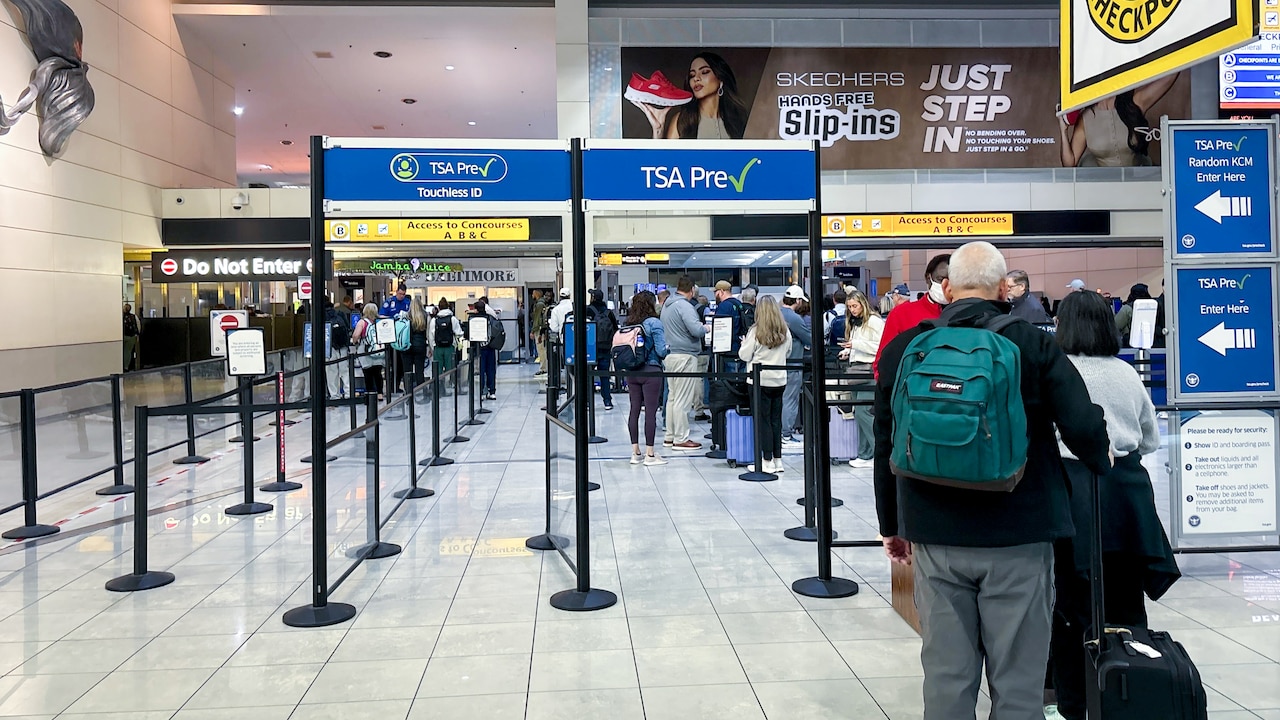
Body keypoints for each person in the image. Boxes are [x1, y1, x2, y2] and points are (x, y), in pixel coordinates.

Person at [874, 241, 1112, 720]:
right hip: (1020, 532)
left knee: (946, 676)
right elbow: (1084, 428)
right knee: (1018, 684)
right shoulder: (1033, 342)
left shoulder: (906, 347)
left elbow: (886, 441)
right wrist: (1101, 461)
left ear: (946, 287)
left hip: (934, 533)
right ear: (1005, 287)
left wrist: (892, 524)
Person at [1043, 289, 1180, 720]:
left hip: (1071, 492)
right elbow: (1151, 438)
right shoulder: (1126, 374)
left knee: (1069, 604)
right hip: (1126, 496)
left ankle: (1071, 702)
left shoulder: (1055, 371)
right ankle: (1129, 688)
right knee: (1125, 600)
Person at [1060, 74, 1177, 168]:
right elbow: (1070, 162)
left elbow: (1171, 76)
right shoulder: (1085, 117)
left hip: (1140, 182)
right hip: (1106, 188)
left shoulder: (1134, 103)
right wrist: (1063, 131)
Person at [632, 51, 748, 140]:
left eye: (704, 72)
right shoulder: (682, 120)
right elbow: (665, 164)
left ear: (720, 79)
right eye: (692, 75)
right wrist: (658, 131)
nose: (696, 78)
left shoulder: (738, 120)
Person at [738, 295, 791, 474]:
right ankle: (778, 460)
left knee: (763, 421)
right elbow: (789, 352)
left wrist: (744, 344)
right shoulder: (785, 330)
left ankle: (766, 461)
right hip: (779, 380)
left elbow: (745, 355)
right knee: (776, 420)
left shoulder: (755, 331)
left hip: (759, 381)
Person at [874, 253, 950, 377]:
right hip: (913, 392)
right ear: (928, 278)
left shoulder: (968, 314)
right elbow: (882, 363)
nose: (946, 285)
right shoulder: (902, 314)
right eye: (940, 279)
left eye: (952, 280)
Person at [831, 289, 883, 467]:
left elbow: (881, 346)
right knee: (859, 412)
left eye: (854, 306)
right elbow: (859, 345)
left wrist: (856, 345)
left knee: (863, 412)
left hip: (868, 370)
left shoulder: (874, 321)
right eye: (849, 307)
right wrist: (848, 350)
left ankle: (878, 452)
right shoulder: (855, 323)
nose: (852, 310)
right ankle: (865, 453)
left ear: (862, 303)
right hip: (856, 369)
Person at [624, 291, 670, 466]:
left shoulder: (629, 322)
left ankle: (635, 452)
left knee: (634, 409)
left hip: (632, 370)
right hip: (651, 370)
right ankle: (650, 453)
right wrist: (668, 349)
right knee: (650, 411)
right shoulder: (654, 323)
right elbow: (660, 351)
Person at [660, 276, 706, 451]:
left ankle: (670, 436)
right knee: (683, 400)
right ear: (692, 290)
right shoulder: (685, 306)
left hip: (670, 356)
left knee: (672, 398)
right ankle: (681, 438)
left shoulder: (667, 304)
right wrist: (705, 328)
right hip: (685, 357)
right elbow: (696, 330)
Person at [779, 285, 812, 444]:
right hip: (792, 364)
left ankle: (779, 432)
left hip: (774, 365)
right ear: (798, 300)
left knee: (778, 400)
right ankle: (786, 433)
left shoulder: (776, 313)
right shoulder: (794, 318)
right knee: (789, 399)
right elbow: (809, 339)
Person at [586, 289, 618, 410]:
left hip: (591, 348)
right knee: (604, 375)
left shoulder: (588, 310)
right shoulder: (608, 312)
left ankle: (588, 401)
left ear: (593, 298)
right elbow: (615, 329)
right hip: (605, 348)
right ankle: (607, 401)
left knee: (589, 375)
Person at [380, 284, 412, 391]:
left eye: (403, 294)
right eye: (400, 294)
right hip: (391, 337)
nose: (401, 296)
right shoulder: (389, 302)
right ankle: (391, 386)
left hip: (404, 337)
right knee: (392, 364)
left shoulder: (407, 303)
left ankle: (398, 385)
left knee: (402, 364)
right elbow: (381, 316)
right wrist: (392, 319)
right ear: (396, 292)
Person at [351, 303, 384, 399]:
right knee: (378, 373)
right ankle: (380, 393)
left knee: (368, 373)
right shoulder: (379, 321)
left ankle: (370, 393)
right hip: (378, 348)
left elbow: (355, 335)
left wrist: (354, 341)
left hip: (365, 349)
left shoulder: (362, 322)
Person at [433, 299, 464, 394]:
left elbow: (431, 335)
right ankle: (455, 387)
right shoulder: (453, 319)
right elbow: (459, 333)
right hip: (450, 347)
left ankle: (439, 389)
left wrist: (432, 346)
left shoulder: (435, 320)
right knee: (451, 369)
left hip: (438, 348)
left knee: (438, 370)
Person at [322, 299, 351, 399]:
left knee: (331, 372)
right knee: (345, 371)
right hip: (342, 345)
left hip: (329, 347)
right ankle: (348, 393)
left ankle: (334, 395)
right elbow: (347, 327)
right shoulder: (339, 313)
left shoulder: (321, 315)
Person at [471, 299, 498, 399]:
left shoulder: (473, 319)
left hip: (480, 348)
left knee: (481, 370)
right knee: (491, 370)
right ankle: (492, 391)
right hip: (490, 347)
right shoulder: (490, 318)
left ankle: (482, 391)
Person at [531, 289, 549, 376]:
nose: (532, 295)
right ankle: (544, 367)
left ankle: (543, 368)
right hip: (542, 328)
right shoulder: (542, 303)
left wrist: (533, 330)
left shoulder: (539, 304)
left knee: (541, 349)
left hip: (539, 329)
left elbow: (537, 319)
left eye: (533, 293)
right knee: (542, 349)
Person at [122, 303, 139, 371]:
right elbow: (138, 326)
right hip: (132, 336)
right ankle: (126, 367)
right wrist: (137, 335)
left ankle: (121, 366)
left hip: (123, 336)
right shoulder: (133, 316)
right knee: (128, 352)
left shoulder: (121, 316)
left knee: (122, 351)